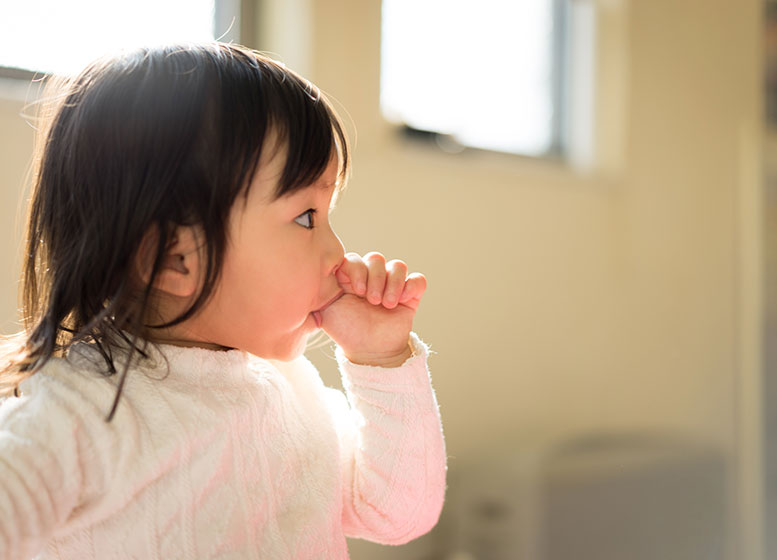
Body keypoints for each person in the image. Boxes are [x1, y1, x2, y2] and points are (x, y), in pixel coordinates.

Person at [0, 43, 446, 559]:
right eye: (306, 217)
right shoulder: (75, 411)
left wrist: (382, 359)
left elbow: (399, 513)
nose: (338, 252)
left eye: (328, 215)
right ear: (174, 258)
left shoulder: (288, 390)